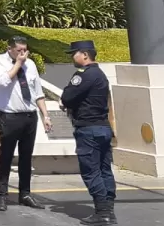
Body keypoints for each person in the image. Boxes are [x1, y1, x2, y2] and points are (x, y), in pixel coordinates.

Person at [0, 37, 51, 212]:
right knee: (7, 156)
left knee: (26, 156)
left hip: (29, 116)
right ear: (10, 49)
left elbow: (37, 91)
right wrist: (18, 63)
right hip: (10, 116)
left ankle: (25, 193)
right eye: (19, 50)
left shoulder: (30, 64)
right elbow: (3, 81)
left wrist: (45, 115)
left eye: (25, 50)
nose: (23, 53)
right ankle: (2, 195)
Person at [60, 39, 117, 225]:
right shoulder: (100, 74)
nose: (72, 57)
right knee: (104, 170)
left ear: (85, 54)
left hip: (88, 129)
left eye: (74, 53)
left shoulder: (84, 75)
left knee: (91, 171)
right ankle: (108, 210)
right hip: (103, 127)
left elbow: (67, 97)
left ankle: (102, 212)